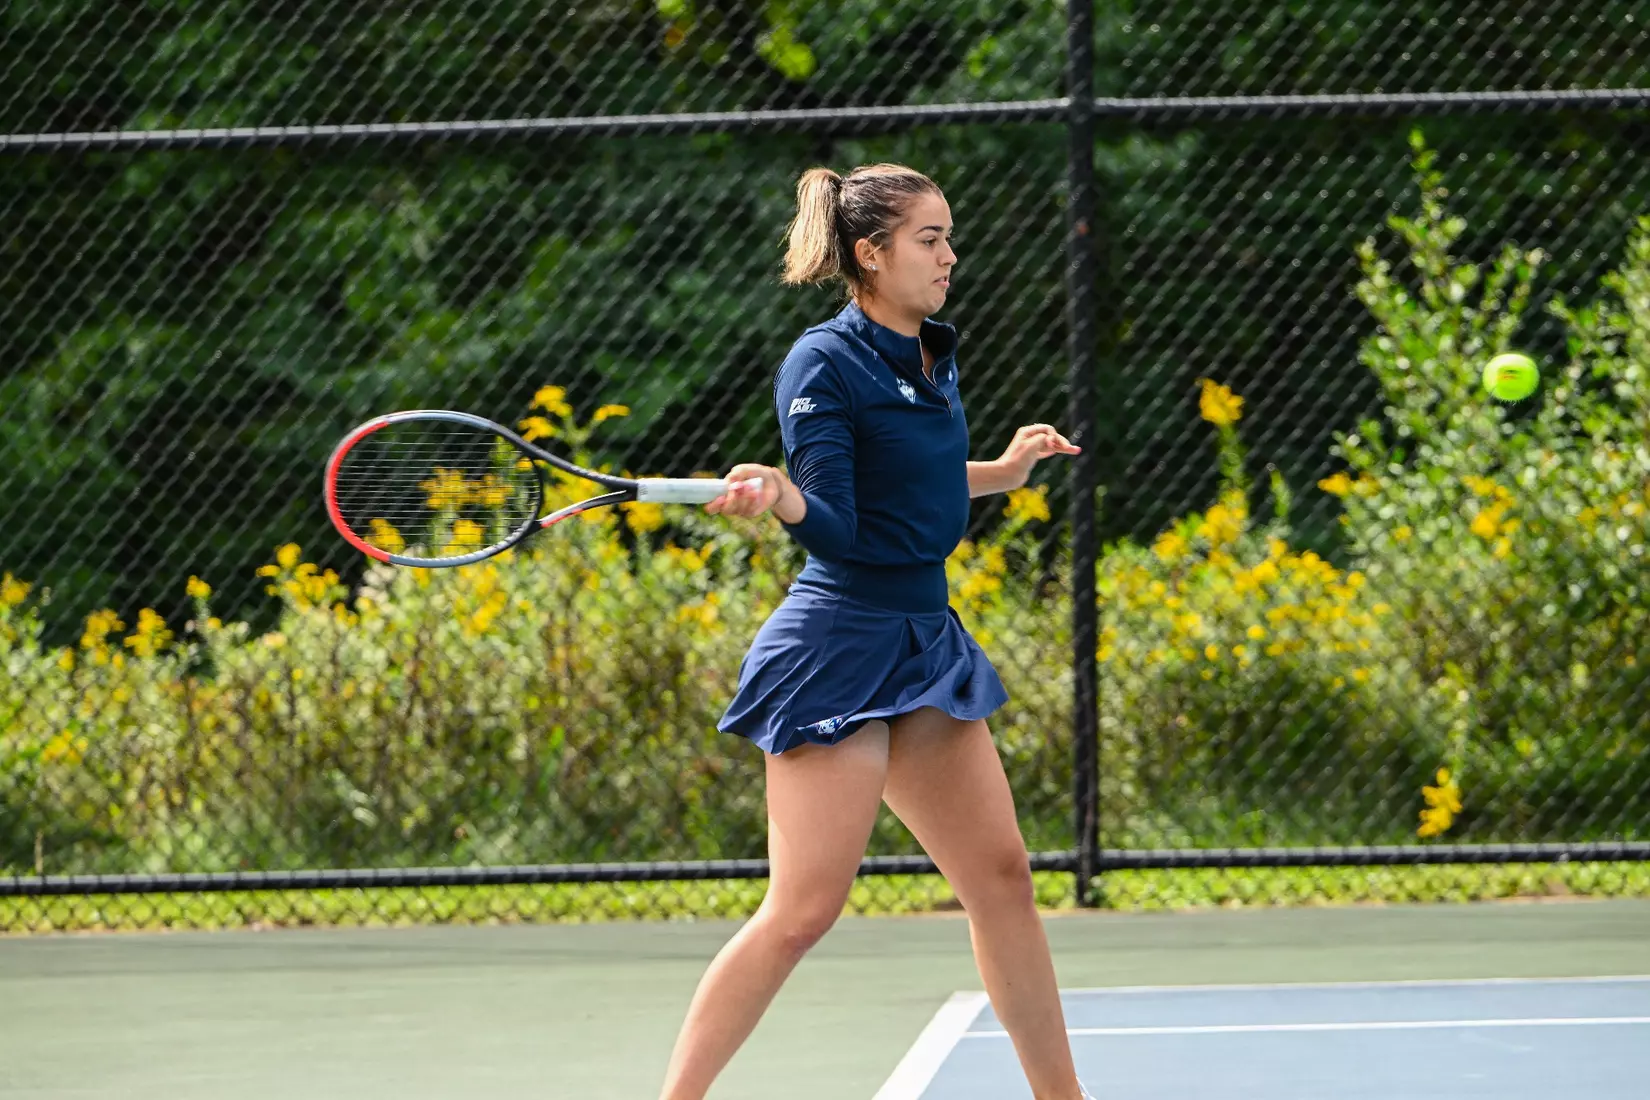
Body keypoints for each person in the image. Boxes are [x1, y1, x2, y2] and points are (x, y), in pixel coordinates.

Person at [665, 163, 1093, 1100]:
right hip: (835, 650)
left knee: (1003, 878)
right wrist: (784, 499)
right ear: (872, 253)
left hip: (923, 640)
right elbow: (845, 528)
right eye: (930, 240)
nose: (950, 257)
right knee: (804, 911)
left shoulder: (930, 352)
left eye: (948, 237)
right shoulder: (823, 363)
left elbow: (920, 481)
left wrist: (1007, 471)